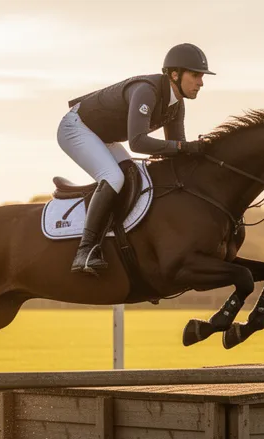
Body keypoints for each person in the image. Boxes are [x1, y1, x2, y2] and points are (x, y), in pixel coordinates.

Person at [58, 43, 214, 275]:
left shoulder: (176, 105)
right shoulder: (146, 91)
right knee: (113, 177)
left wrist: (203, 158)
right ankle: (85, 251)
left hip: (102, 135)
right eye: (195, 75)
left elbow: (175, 150)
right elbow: (138, 143)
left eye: (201, 76)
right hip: (76, 128)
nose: (201, 82)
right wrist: (186, 147)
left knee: (131, 175)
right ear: (174, 74)